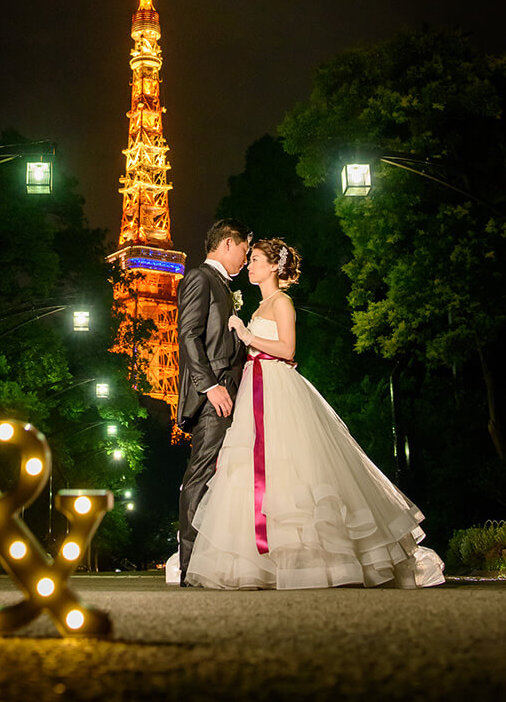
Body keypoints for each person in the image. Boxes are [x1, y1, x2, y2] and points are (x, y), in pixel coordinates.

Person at [186, 237, 445, 590]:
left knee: (295, 466)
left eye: (257, 259)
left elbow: (288, 348)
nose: (250, 264)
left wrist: (247, 336)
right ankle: (268, 561)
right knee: (255, 468)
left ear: (274, 267)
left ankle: (319, 561)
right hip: (255, 387)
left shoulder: (282, 303)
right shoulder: (259, 307)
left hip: (277, 385)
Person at [176, 218, 252, 585]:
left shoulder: (222, 285)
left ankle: (212, 559)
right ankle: (191, 566)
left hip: (231, 390)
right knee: (202, 474)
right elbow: (188, 335)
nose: (246, 257)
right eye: (243, 249)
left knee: (221, 476)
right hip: (215, 395)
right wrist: (209, 386)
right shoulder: (199, 278)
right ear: (226, 244)